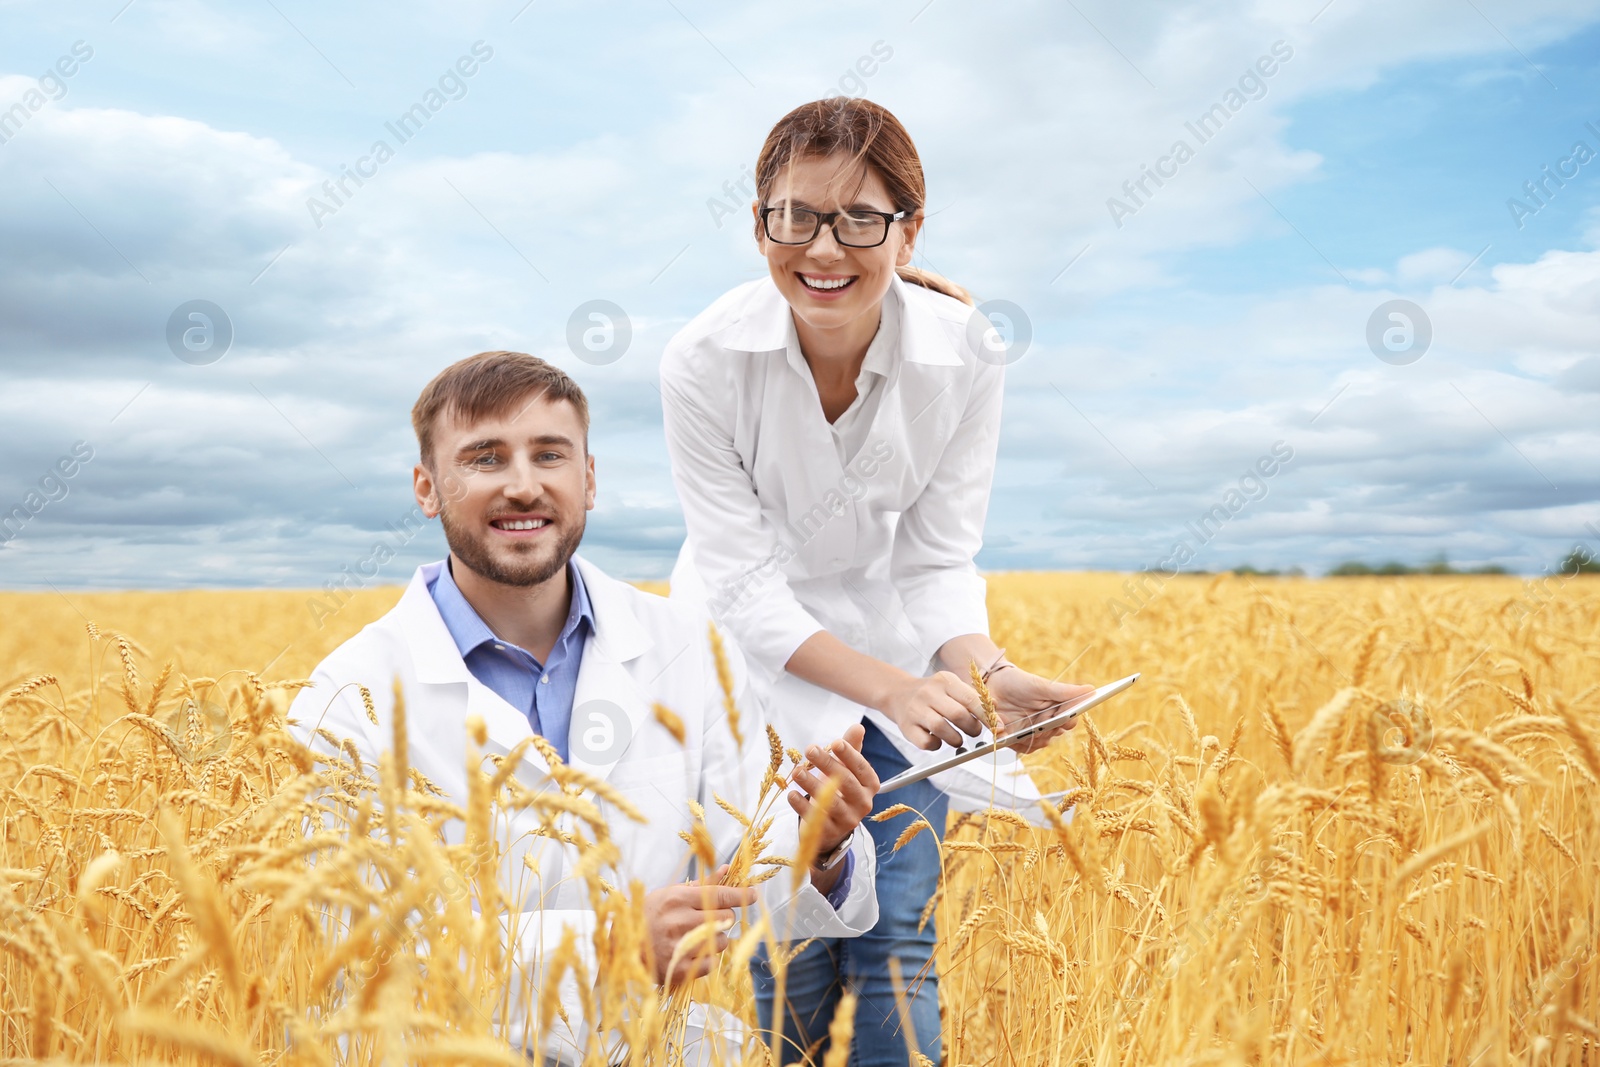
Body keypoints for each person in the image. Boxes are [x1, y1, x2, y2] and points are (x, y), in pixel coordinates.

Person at [290, 351, 881, 1065]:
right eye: (484, 457)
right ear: (427, 487)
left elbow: (738, 873)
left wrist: (820, 851)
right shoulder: (347, 696)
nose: (522, 485)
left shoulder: (685, 646)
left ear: (589, 479)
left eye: (549, 455)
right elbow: (346, 947)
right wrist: (607, 941)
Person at [659, 99, 1095, 1065]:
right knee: (791, 946)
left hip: (902, 670)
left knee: (896, 937)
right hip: (750, 673)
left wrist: (987, 674)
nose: (824, 246)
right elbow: (743, 583)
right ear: (759, 222)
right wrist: (896, 689)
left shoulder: (967, 351)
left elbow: (938, 554)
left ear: (910, 228)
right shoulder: (700, 361)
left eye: (860, 217)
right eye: (795, 215)